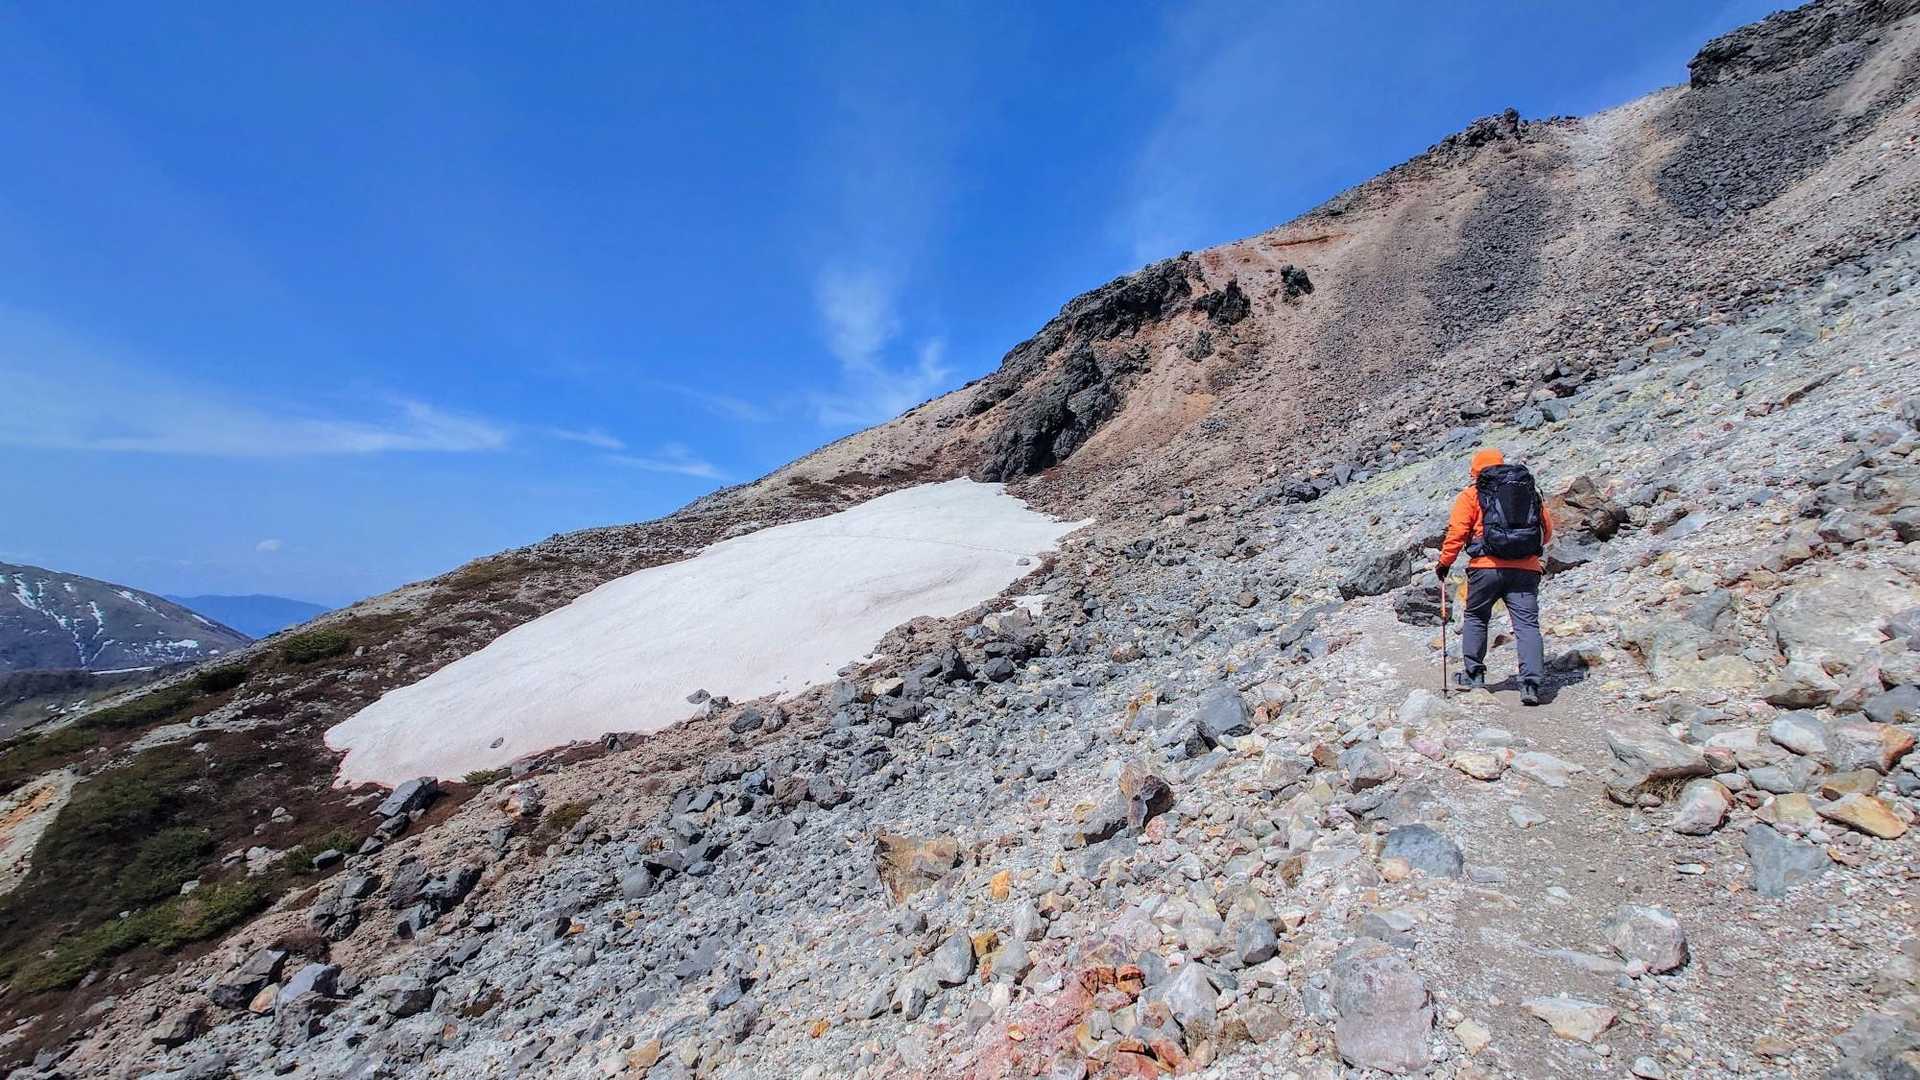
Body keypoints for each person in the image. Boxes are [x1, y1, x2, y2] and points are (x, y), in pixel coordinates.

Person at [1435, 447, 1553, 705]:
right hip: (1526, 569)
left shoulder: (1472, 495)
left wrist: (1444, 563)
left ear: (1475, 471)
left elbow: (1457, 533)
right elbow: (1547, 531)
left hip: (1485, 568)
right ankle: (1531, 684)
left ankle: (1474, 674)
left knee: (1477, 617)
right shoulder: (1528, 491)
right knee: (1527, 625)